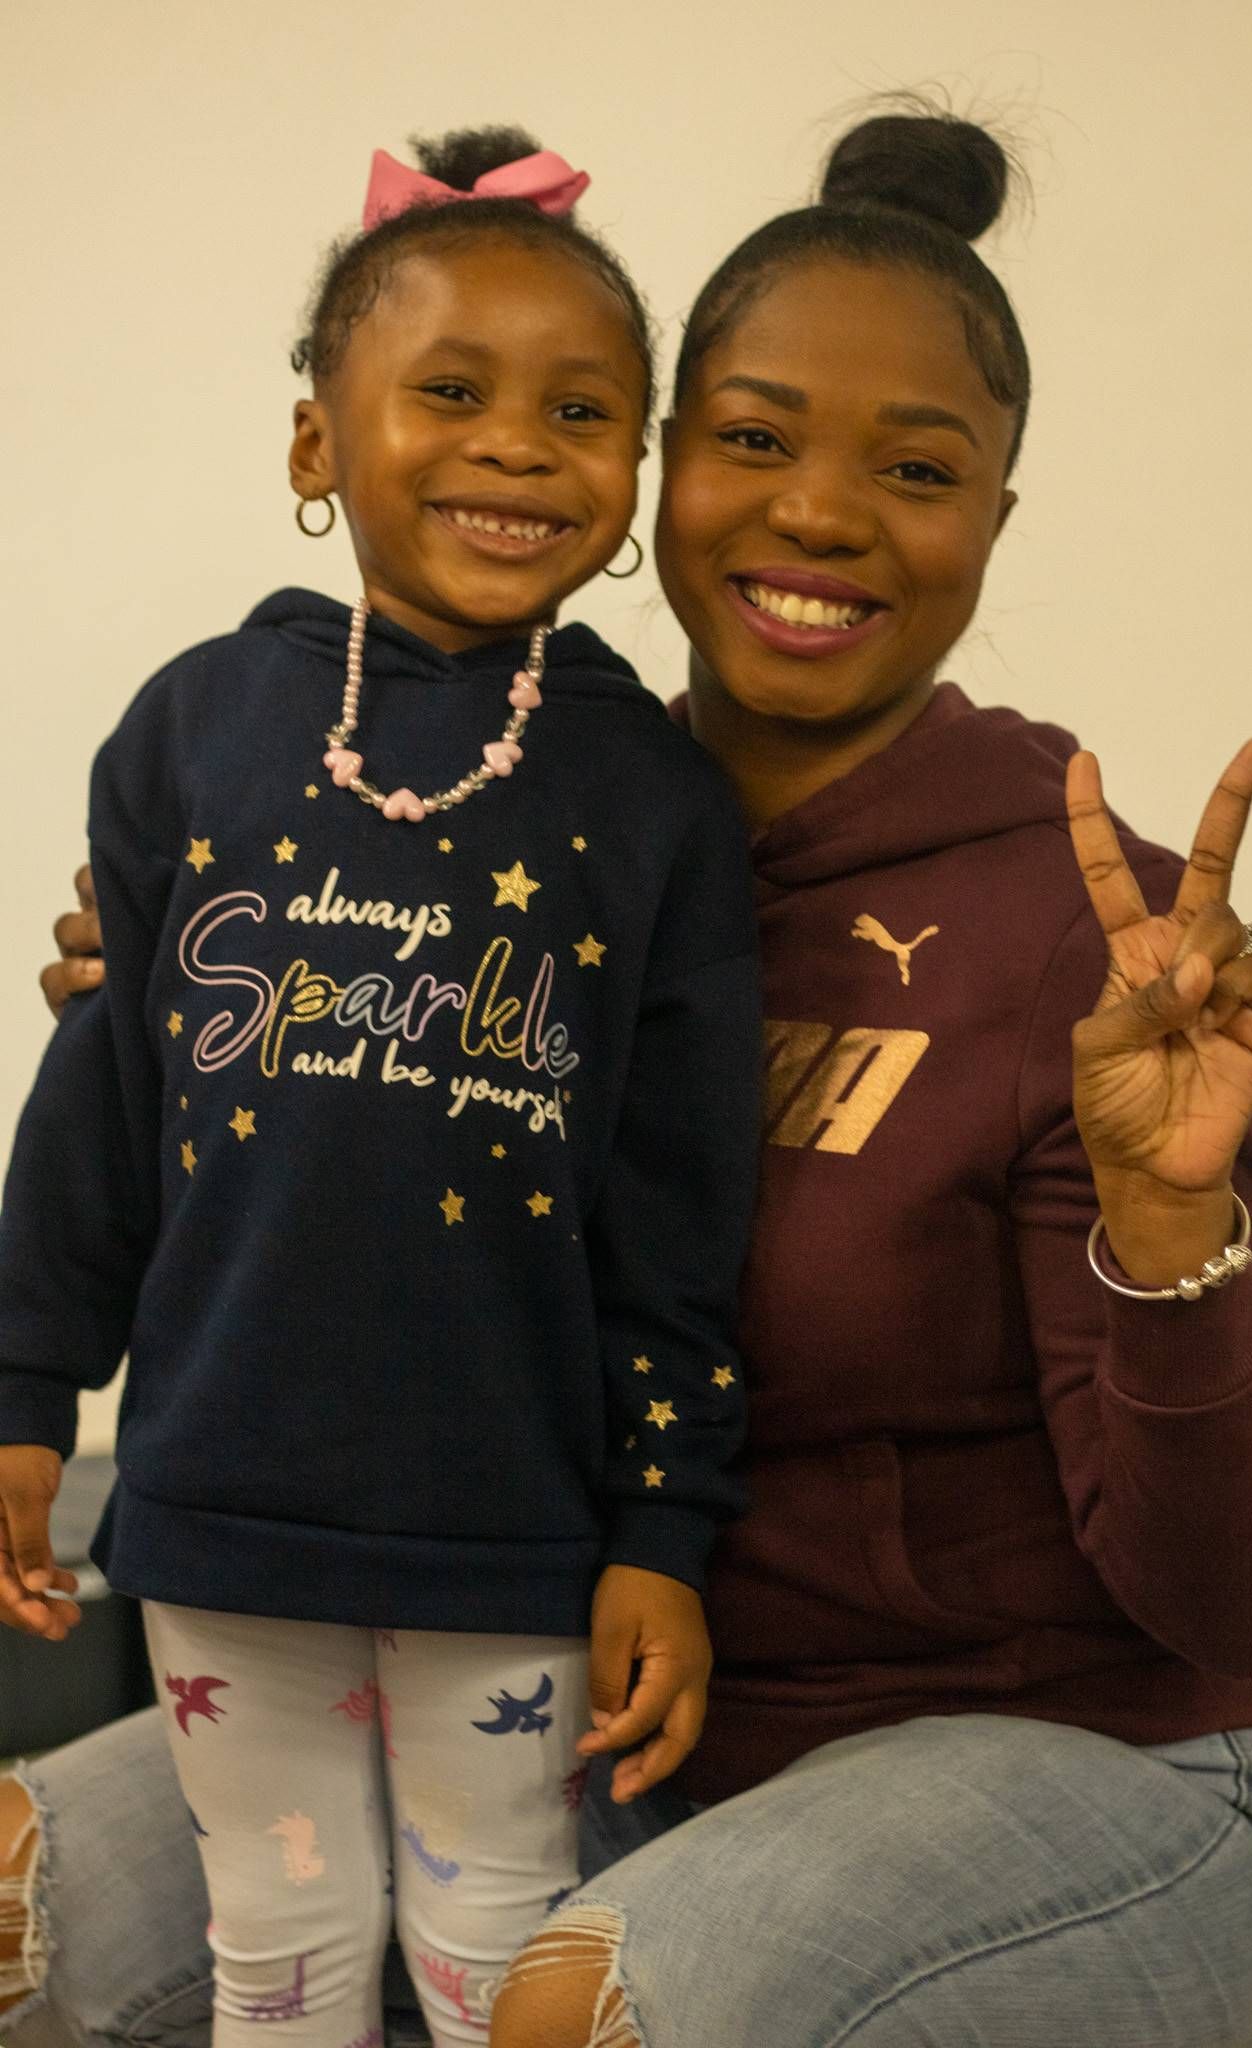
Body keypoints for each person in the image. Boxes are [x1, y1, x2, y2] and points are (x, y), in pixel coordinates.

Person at [4, 106, 1252, 2048]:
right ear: (665, 471)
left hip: (1067, 1741)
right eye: (750, 439)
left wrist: (1170, 1227)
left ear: (990, 517)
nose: (817, 510)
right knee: (18, 1913)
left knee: (567, 2012)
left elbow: (1227, 1596)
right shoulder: (495, 821)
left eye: (913, 467)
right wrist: (186, 993)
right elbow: (193, 1135)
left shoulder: (1091, 934)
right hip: (606, 1694)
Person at [0, 130, 762, 2048]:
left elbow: (679, 1212)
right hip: (222, 1506)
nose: (517, 445)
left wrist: (662, 1520)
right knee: (276, 1946)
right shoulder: (195, 725)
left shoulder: (657, 801)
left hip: (509, 1520)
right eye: (448, 392)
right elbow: (103, 1103)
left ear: (635, 471)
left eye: (581, 411)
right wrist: (20, 1392)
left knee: (496, 1944)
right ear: (312, 448)